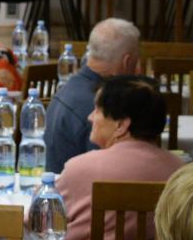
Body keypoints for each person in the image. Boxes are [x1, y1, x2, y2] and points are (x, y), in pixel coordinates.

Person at [58, 76, 185, 240]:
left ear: (121, 125)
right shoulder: (180, 172)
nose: (90, 117)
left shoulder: (80, 169)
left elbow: (40, 222)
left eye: (97, 110)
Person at [44, 18, 141, 174]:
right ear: (127, 62)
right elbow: (113, 176)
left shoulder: (68, 89)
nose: (138, 71)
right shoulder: (103, 108)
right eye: (136, 62)